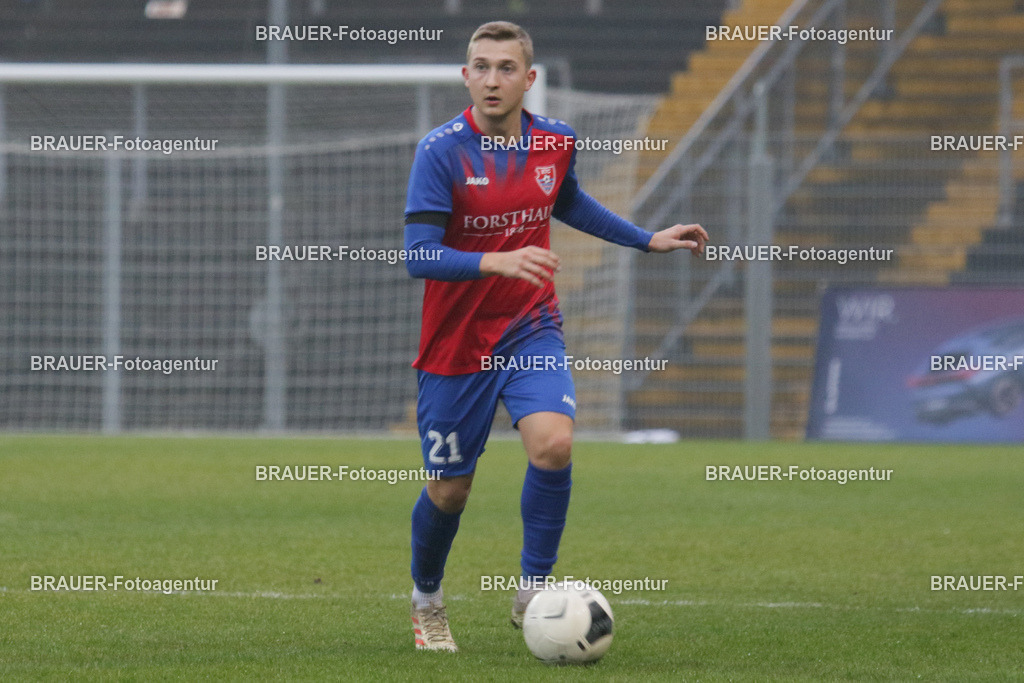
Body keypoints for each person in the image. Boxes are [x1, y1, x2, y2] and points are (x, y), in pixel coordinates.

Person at [403, 20, 707, 651]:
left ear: (528, 79)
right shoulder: (441, 152)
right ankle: (427, 599)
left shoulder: (555, 142)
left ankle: (534, 589)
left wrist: (647, 238)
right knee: (450, 490)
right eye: (480, 67)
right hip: (457, 346)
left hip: (529, 325)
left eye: (505, 68)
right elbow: (419, 255)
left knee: (554, 445)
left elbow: (568, 203)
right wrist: (496, 260)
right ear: (466, 76)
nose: (492, 79)